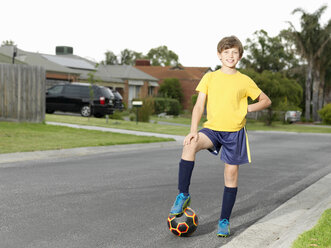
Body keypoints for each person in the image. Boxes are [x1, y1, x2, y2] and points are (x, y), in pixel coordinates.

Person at [169, 36, 272, 237]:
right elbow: (199, 105)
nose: (230, 56)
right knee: (190, 145)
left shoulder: (244, 80)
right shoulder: (210, 77)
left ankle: (224, 220)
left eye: (234, 52)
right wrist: (193, 130)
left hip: (235, 133)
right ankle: (183, 194)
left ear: (239, 56)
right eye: (226, 52)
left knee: (231, 175)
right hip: (212, 130)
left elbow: (266, 100)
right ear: (219, 55)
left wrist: (246, 108)